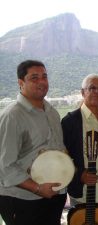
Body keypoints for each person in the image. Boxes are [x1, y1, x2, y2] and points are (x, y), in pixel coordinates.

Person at [0, 60, 67, 225]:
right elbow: (5, 166)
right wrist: (38, 188)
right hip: (22, 199)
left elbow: (58, 148)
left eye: (44, 76)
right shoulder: (12, 116)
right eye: (34, 78)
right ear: (20, 83)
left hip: (53, 195)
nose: (42, 82)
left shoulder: (51, 112)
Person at [61, 74, 98, 225]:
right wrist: (79, 174)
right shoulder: (70, 121)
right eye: (92, 88)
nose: (97, 92)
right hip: (81, 196)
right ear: (82, 92)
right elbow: (62, 157)